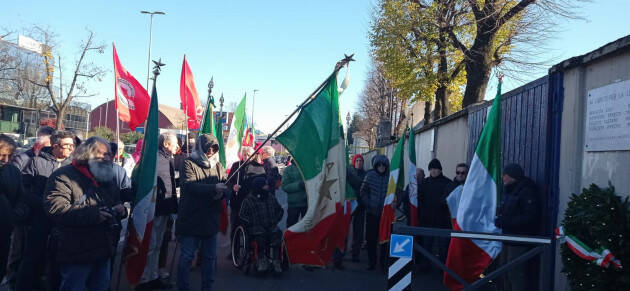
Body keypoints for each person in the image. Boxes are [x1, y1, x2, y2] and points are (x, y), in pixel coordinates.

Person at [43, 136, 127, 291]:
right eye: (103, 154)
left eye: (110, 154)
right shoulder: (63, 176)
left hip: (103, 247)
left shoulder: (108, 177)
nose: (109, 158)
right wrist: (94, 215)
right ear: (87, 155)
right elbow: (55, 209)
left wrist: (121, 210)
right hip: (76, 249)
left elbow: (115, 202)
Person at [17, 130, 75, 291]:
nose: (71, 149)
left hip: (62, 220)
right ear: (55, 146)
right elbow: (24, 188)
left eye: (72, 145)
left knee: (57, 259)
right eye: (67, 145)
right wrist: (40, 203)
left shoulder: (72, 165)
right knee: (32, 257)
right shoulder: (36, 161)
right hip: (38, 217)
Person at [176, 134, 227, 291]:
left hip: (210, 220)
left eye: (214, 148)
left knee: (210, 258)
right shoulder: (188, 163)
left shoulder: (218, 166)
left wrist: (225, 191)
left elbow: (225, 183)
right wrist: (214, 188)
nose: (211, 151)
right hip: (191, 218)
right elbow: (189, 186)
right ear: (200, 147)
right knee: (186, 258)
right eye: (208, 147)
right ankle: (182, 288)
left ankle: (207, 288)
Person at [136, 133, 179, 290]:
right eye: (175, 144)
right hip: (154, 209)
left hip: (165, 209)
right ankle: (144, 278)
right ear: (166, 144)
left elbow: (170, 184)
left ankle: (153, 276)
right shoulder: (154, 159)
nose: (177, 147)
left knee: (158, 245)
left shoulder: (169, 159)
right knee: (150, 245)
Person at [495, 163, 541, 291]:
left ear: (513, 176)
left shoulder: (527, 191)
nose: (502, 177)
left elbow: (530, 217)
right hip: (507, 237)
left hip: (519, 239)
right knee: (503, 271)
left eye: (505, 174)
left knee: (515, 274)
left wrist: (505, 221)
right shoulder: (509, 190)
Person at [239, 176, 284, 273]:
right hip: (256, 227)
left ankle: (276, 260)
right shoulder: (248, 200)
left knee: (277, 234)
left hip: (271, 225)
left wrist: (276, 220)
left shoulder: (270, 197)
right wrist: (251, 223)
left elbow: (280, 210)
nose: (267, 187)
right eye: (265, 185)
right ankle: (261, 260)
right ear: (259, 187)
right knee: (260, 236)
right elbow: (242, 215)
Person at [417, 158, 452, 269]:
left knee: (443, 248)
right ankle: (426, 265)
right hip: (427, 221)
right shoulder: (425, 183)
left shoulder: (448, 183)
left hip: (443, 222)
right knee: (427, 246)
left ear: (440, 170)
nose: (433, 171)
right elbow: (419, 199)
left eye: (436, 169)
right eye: (431, 169)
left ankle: (443, 269)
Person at [226, 146, 266, 238]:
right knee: (235, 227)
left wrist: (246, 188)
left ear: (253, 155)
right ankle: (234, 250)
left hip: (251, 203)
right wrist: (233, 186)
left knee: (250, 228)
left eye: (248, 154)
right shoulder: (236, 165)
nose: (246, 156)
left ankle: (249, 250)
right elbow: (229, 181)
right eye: (244, 154)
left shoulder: (259, 167)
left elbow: (261, 186)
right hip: (236, 202)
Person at [360, 154, 390, 270]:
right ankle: (371, 262)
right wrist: (369, 204)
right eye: (379, 165)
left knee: (384, 239)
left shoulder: (391, 176)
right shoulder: (370, 176)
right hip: (372, 213)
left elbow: (398, 192)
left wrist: (394, 202)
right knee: (371, 239)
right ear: (376, 165)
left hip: (385, 214)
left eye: (384, 165)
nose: (381, 167)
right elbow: (363, 192)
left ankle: (383, 262)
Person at [0, 134, 21, 282]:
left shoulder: (12, 171)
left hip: (4, 230)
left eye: (9, 156)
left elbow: (20, 197)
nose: (6, 160)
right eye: (2, 155)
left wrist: (16, 215)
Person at [348, 154, 367, 262]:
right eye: (357, 160)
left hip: (361, 206)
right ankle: (342, 252)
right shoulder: (350, 174)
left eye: (361, 160)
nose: (359, 162)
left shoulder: (366, 174)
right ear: (354, 162)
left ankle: (355, 253)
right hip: (350, 205)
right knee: (345, 230)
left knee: (358, 232)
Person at [281, 162, 306, 228]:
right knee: (291, 226)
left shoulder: (308, 167)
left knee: (308, 227)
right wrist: (299, 185)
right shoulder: (288, 170)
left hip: (308, 203)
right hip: (294, 204)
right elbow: (285, 186)